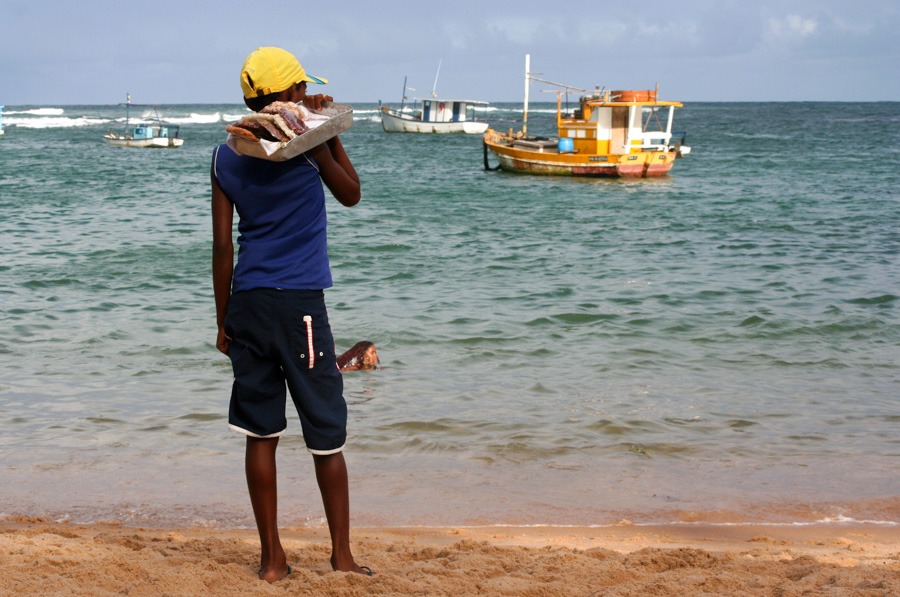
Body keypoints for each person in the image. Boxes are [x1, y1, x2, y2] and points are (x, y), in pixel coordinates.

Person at [211, 46, 372, 582]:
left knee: (262, 434)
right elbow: (350, 194)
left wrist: (222, 319)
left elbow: (223, 249)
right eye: (302, 89)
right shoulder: (307, 149)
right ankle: (342, 557)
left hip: (248, 304)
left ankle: (272, 561)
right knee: (326, 433)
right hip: (301, 303)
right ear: (294, 95)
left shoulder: (225, 155)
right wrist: (328, 133)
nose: (308, 94)